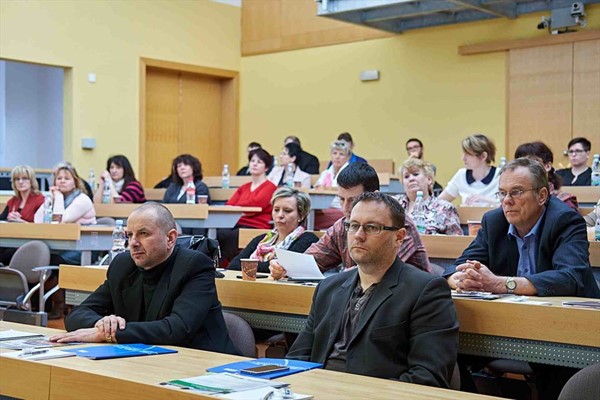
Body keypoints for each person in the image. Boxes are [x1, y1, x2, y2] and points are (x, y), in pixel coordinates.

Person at [286, 192, 459, 386]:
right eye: (353, 226)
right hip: (317, 390)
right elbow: (297, 358)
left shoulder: (425, 291)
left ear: (399, 237)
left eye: (372, 227)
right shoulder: (328, 288)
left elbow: (428, 376)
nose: (359, 236)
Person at [49, 203, 238, 354]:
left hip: (207, 364)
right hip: (150, 359)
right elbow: (77, 315)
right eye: (130, 235)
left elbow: (176, 329)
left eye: (143, 234)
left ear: (170, 238)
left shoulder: (194, 265)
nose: (133, 243)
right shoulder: (123, 265)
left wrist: (111, 333)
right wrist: (105, 324)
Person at [444, 157, 599, 298]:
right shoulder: (494, 222)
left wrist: (501, 284)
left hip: (572, 313)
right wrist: (462, 280)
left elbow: (570, 278)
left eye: (516, 192)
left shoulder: (565, 220)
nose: (507, 201)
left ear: (542, 196)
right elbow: (456, 268)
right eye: (502, 193)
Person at [270, 163, 431, 278]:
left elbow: (372, 272)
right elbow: (310, 261)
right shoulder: (342, 225)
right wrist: (284, 268)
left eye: (353, 200)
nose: (346, 208)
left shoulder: (398, 224)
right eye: (341, 199)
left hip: (409, 304)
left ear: (374, 196)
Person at [228, 187, 319, 272]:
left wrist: (248, 266)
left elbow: (281, 266)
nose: (280, 215)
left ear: (301, 215)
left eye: (287, 211)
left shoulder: (308, 240)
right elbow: (233, 266)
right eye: (276, 210)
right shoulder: (261, 239)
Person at [218, 148, 277, 263]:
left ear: (266, 168)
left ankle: (227, 265)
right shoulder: (244, 187)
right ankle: (219, 263)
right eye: (252, 161)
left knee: (232, 236)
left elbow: (256, 205)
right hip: (237, 223)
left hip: (257, 225)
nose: (254, 164)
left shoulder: (270, 187)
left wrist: (238, 208)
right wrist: (239, 209)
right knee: (220, 233)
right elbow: (229, 205)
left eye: (259, 162)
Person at [396, 158, 462, 235]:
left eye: (415, 174)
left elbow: (457, 239)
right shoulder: (393, 205)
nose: (411, 179)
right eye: (406, 176)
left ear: (429, 179)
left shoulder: (445, 208)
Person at [514, 141, 579, 212]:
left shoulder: (563, 202)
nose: (525, 168)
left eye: (533, 162)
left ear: (547, 166)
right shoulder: (511, 199)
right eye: (520, 163)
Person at [439, 134, 500, 206]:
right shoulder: (461, 175)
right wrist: (460, 207)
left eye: (468, 154)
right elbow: (438, 203)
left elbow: (508, 203)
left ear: (483, 156)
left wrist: (487, 200)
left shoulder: (500, 175)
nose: (463, 158)